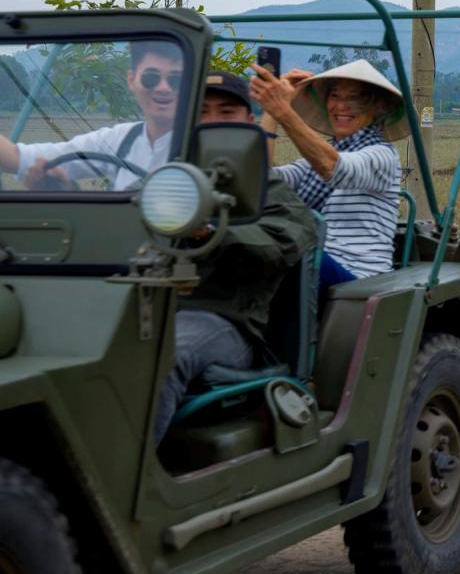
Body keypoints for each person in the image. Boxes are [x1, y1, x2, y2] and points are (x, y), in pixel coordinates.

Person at [154, 73, 317, 441]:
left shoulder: (269, 190)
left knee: (160, 358)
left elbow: (282, 242)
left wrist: (214, 232)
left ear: (248, 122)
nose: (212, 122)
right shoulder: (164, 180)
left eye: (226, 111)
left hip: (224, 322)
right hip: (146, 309)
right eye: (202, 113)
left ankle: (122, 485)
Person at [251, 58, 405, 286]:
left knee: (290, 250)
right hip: (317, 264)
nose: (341, 106)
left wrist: (283, 110)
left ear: (378, 107)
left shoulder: (383, 156)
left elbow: (335, 169)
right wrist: (271, 113)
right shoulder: (313, 163)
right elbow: (261, 181)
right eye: (334, 96)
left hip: (359, 274)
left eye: (354, 98)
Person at [0, 40, 185, 190]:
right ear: (131, 80)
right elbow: (22, 158)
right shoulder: (122, 139)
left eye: (175, 79)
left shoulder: (201, 143)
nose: (163, 88)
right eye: (151, 77)